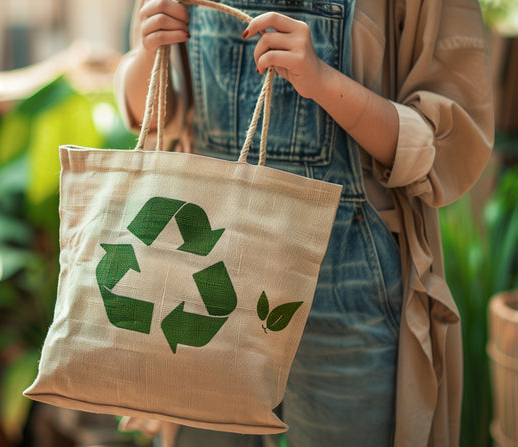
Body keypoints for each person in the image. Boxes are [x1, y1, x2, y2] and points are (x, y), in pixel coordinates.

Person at [114, 0, 494, 446]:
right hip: (201, 278)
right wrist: (147, 51)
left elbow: (448, 143)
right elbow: (157, 113)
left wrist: (322, 81)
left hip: (345, 288)